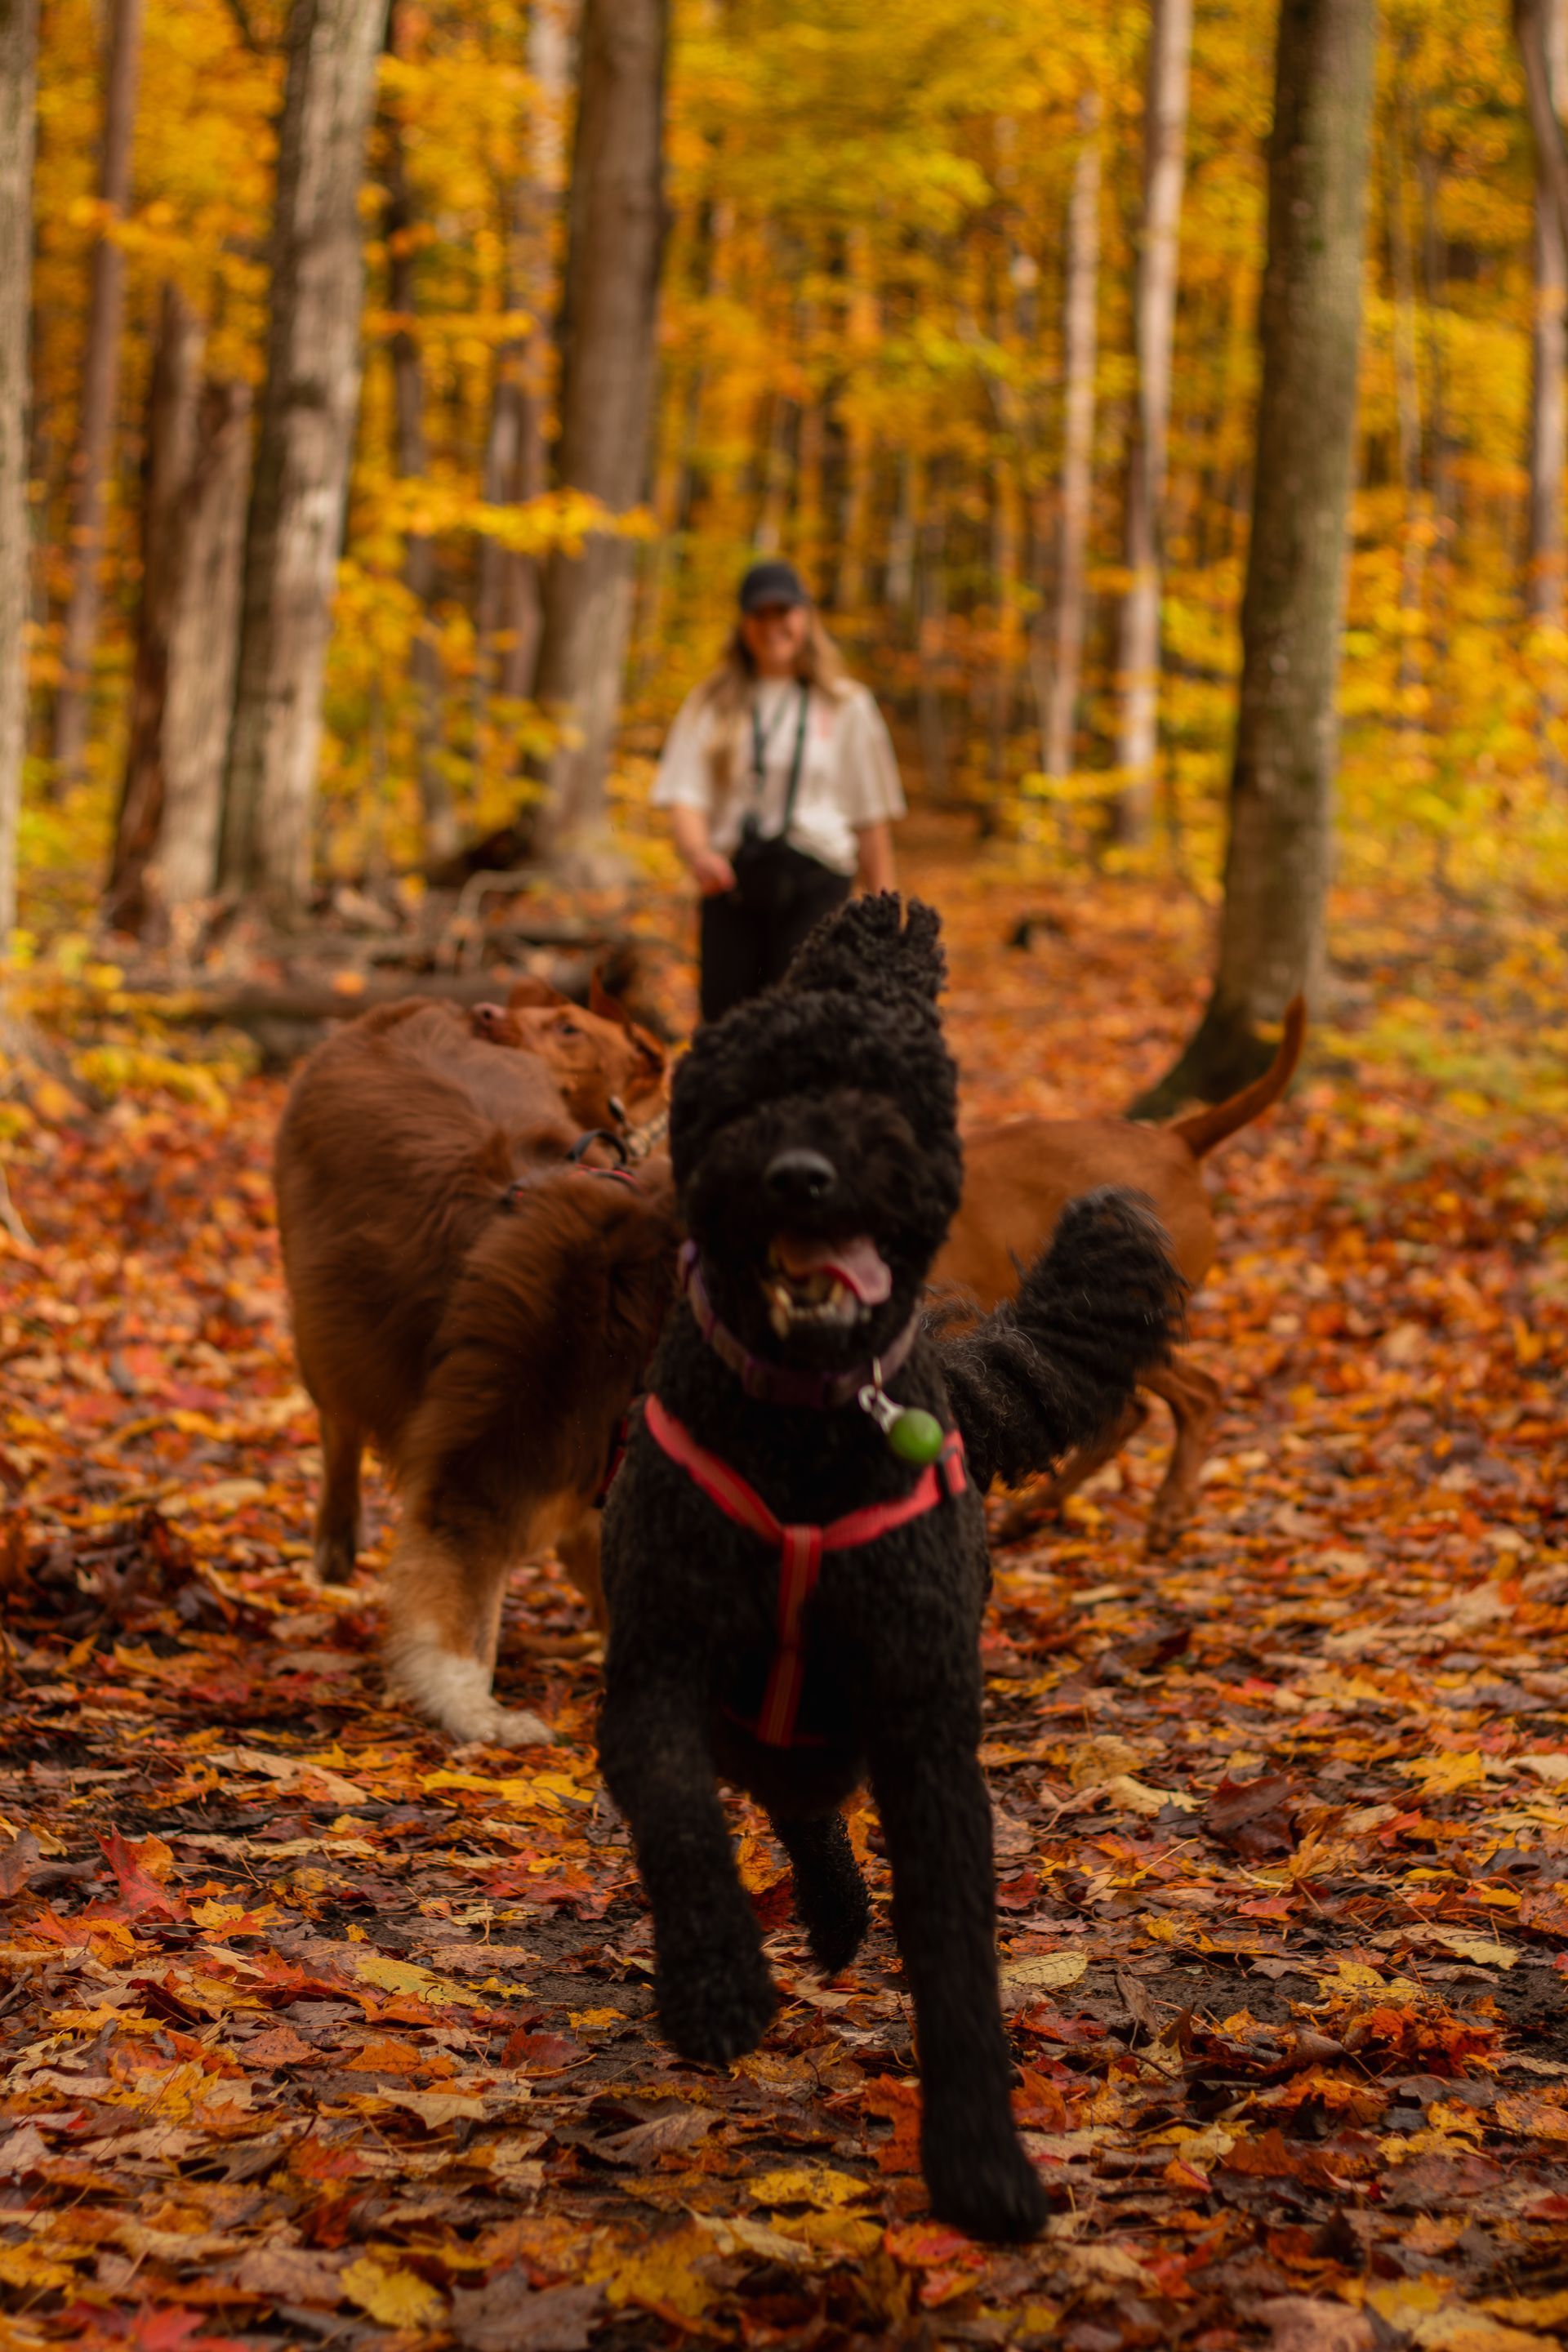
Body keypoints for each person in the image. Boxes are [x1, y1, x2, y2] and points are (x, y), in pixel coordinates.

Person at [653, 559, 905, 1022]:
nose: (772, 627)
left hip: (817, 884)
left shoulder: (847, 705)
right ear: (743, 624)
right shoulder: (711, 702)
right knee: (727, 1024)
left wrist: (886, 917)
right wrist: (698, 853)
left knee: (801, 1024)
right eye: (760, 615)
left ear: (805, 617)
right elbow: (685, 792)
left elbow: (870, 816)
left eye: (783, 613)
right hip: (733, 886)